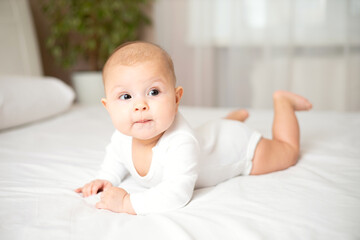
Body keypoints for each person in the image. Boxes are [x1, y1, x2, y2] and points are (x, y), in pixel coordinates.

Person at [75, 41, 312, 215]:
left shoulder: (181, 142)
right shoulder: (122, 137)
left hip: (237, 147)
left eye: (154, 92)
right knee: (212, 134)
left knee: (287, 152)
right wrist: (105, 178)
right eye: (125, 96)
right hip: (213, 135)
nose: (140, 106)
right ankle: (230, 120)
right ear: (108, 107)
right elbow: (116, 158)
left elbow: (177, 194)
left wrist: (127, 203)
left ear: (177, 99)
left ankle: (283, 103)